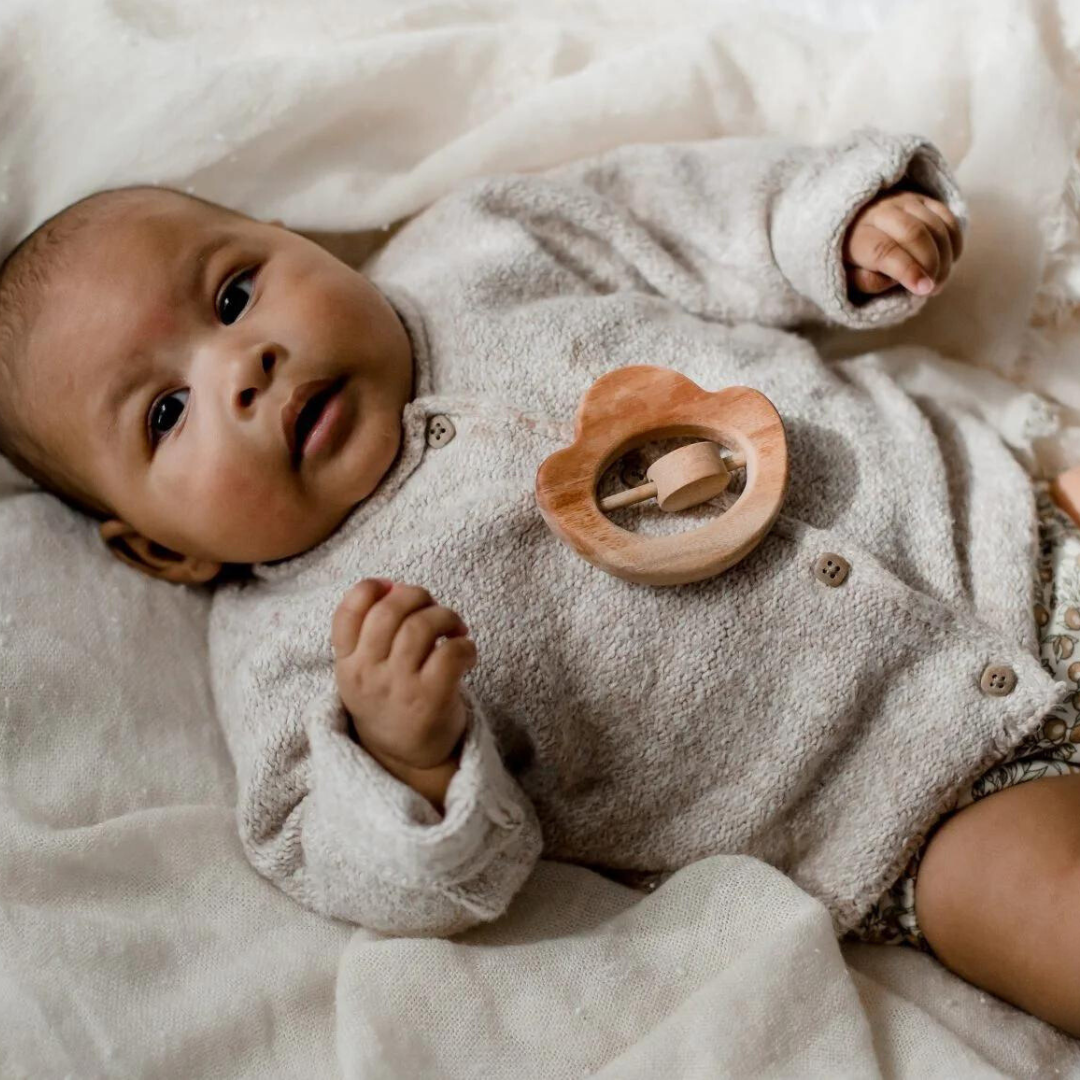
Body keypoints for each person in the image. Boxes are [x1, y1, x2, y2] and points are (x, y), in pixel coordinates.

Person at [3, 129, 1078, 1034]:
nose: (243, 367)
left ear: (293, 242)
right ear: (159, 550)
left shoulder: (482, 249)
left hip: (1010, 528)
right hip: (910, 802)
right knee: (1041, 920)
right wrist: (405, 764)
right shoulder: (301, 652)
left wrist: (834, 227)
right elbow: (336, 854)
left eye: (236, 292)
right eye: (164, 414)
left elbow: (676, 212)